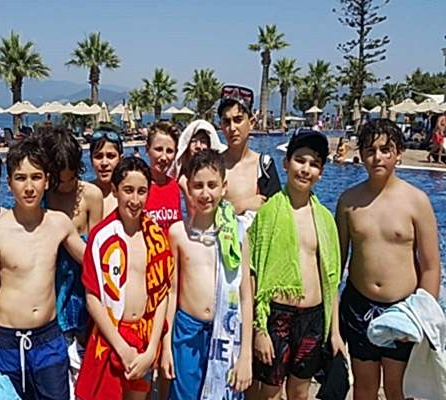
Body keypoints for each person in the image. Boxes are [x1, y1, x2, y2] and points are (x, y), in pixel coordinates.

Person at [336, 119, 441, 400]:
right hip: (358, 307)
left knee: (398, 389)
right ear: (361, 154)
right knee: (363, 388)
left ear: (398, 153)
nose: (378, 157)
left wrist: (421, 315)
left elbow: (431, 266)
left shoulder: (416, 201)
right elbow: (336, 263)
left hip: (403, 309)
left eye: (386, 150)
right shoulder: (348, 201)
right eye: (370, 150)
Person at [0, 138, 86, 400]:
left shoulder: (59, 224)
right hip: (6, 344)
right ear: (9, 182)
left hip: (49, 340)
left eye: (36, 177)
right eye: (20, 178)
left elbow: (93, 261)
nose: (28, 187)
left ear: (47, 181)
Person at [249, 129, 344, 400]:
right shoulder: (268, 214)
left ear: (321, 173)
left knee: (300, 391)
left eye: (314, 164)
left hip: (313, 317)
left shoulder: (325, 219)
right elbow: (253, 273)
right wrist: (259, 329)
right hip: (277, 316)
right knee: (269, 390)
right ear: (286, 163)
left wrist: (335, 333)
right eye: (300, 160)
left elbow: (331, 280)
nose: (305, 169)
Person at [75, 157, 174, 400]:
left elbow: (161, 295)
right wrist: (121, 347)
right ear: (115, 190)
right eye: (128, 190)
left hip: (144, 339)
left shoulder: (156, 237)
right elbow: (92, 297)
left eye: (142, 191)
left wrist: (152, 349)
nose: (135, 200)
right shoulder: (101, 237)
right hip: (111, 338)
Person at [163, 150, 253, 399]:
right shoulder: (178, 233)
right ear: (188, 189)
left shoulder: (237, 233)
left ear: (224, 187)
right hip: (187, 331)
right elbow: (171, 292)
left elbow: (246, 296)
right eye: (198, 186)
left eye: (212, 185)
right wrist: (166, 346)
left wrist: (245, 355)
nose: (205, 193)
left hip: (226, 329)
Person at [40, 126, 103, 387]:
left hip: (81, 287)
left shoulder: (91, 195)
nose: (66, 186)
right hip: (51, 288)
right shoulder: (41, 194)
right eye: (59, 180)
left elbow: (96, 254)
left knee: (83, 367)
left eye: (71, 178)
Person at [218, 85, 281, 229]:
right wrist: (242, 205)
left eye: (238, 120)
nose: (232, 128)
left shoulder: (264, 166)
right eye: (226, 122)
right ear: (221, 125)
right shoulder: (214, 166)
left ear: (251, 123)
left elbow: (277, 213)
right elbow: (203, 216)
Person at [170, 119, 227, 199]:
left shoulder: (219, 180)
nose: (198, 146)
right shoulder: (176, 180)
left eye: (203, 141)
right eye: (193, 141)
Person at [143, 121, 182, 234]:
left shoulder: (175, 187)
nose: (164, 157)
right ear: (147, 149)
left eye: (169, 151)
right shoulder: (140, 187)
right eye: (158, 149)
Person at [89, 128, 124, 216]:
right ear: (91, 161)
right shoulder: (83, 195)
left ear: (121, 159)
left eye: (110, 156)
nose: (104, 163)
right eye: (98, 156)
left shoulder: (129, 195)